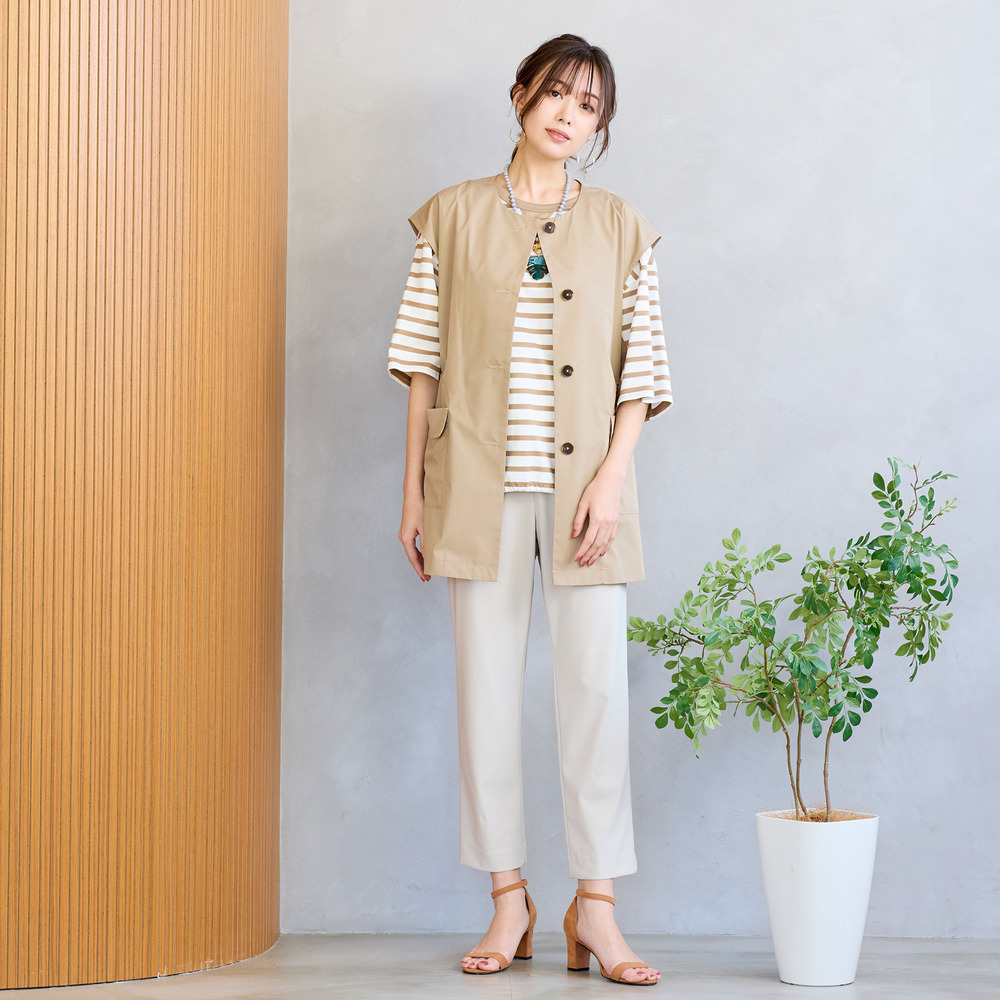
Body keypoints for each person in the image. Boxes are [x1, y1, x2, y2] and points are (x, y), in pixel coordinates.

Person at [388, 33, 670, 986]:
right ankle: (509, 898)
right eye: (556, 93)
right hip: (475, 487)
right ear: (520, 95)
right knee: (486, 692)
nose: (568, 115)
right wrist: (412, 491)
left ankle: (598, 909)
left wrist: (612, 478)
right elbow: (421, 365)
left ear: (599, 126)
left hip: (588, 493)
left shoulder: (623, 225)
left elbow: (644, 367)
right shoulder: (451, 217)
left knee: (595, 693)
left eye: (589, 106)